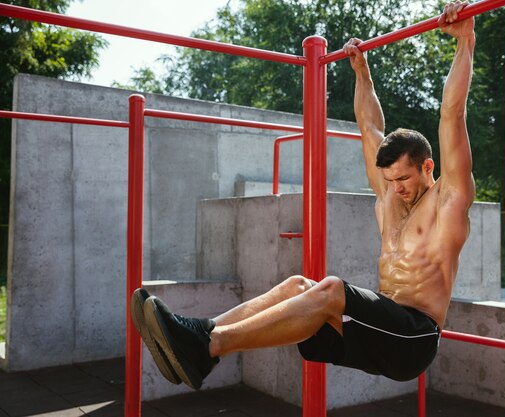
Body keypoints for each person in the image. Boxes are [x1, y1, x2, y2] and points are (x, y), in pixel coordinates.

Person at [131, 1, 476, 390]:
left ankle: (208, 346)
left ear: (428, 167)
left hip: (414, 337)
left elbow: (453, 113)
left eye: (404, 178)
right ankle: (201, 333)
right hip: (380, 327)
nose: (396, 187)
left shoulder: (448, 202)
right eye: (390, 179)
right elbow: (369, 127)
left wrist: (465, 40)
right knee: (298, 284)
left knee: (330, 288)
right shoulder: (391, 198)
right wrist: (362, 73)